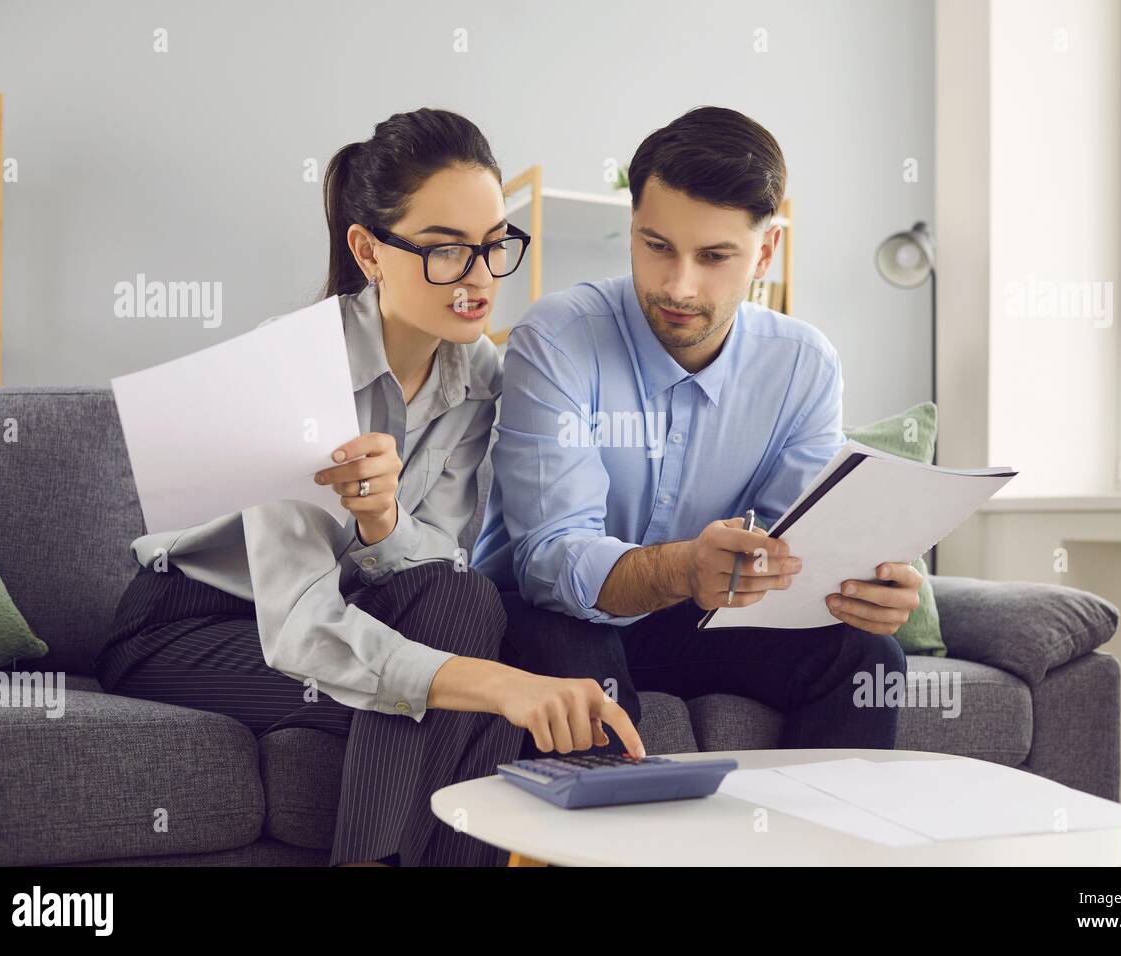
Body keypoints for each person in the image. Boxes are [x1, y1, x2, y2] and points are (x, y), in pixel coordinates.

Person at [93, 108, 643, 868]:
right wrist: (502, 686)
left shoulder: (481, 379)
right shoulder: (291, 366)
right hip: (187, 628)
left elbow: (437, 577)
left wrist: (383, 522)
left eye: (494, 246)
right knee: (472, 701)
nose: (480, 278)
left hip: (366, 612)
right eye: (447, 250)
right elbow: (300, 626)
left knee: (468, 606)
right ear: (369, 250)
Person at [473, 106, 920, 759]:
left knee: (867, 656)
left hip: (696, 623)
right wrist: (684, 568)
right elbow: (549, 559)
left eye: (714, 256)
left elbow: (790, 546)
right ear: (632, 230)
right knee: (577, 656)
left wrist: (861, 586)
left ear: (766, 252)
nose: (679, 286)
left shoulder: (803, 363)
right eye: (657, 247)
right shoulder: (557, 337)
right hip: (551, 615)